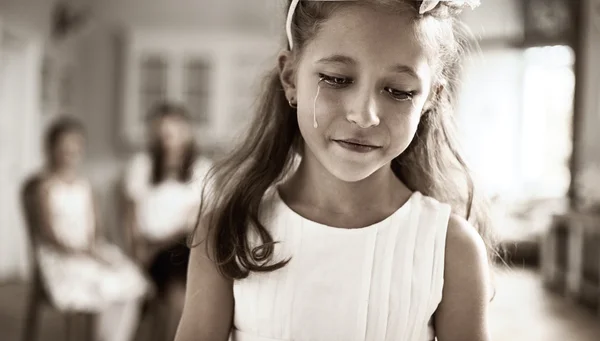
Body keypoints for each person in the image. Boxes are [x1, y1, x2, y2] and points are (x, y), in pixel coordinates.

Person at [176, 1, 495, 341]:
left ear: (431, 97)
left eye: (399, 91)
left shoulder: (452, 249)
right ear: (290, 78)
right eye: (336, 79)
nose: (364, 115)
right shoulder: (229, 231)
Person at [34, 117, 151, 341]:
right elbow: (48, 234)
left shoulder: (85, 186)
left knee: (129, 278)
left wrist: (97, 251)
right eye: (65, 147)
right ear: (53, 149)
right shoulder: (45, 186)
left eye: (76, 146)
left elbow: (97, 230)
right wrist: (85, 254)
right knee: (100, 283)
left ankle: (112, 337)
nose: (71, 153)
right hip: (61, 256)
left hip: (89, 249)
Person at [121, 101, 212, 339]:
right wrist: (138, 253)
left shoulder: (202, 169)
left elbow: (200, 219)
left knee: (179, 292)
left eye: (176, 132)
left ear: (188, 134)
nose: (169, 139)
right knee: (176, 295)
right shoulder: (142, 165)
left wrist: (161, 244)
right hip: (149, 251)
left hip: (186, 246)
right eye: (164, 133)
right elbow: (131, 217)